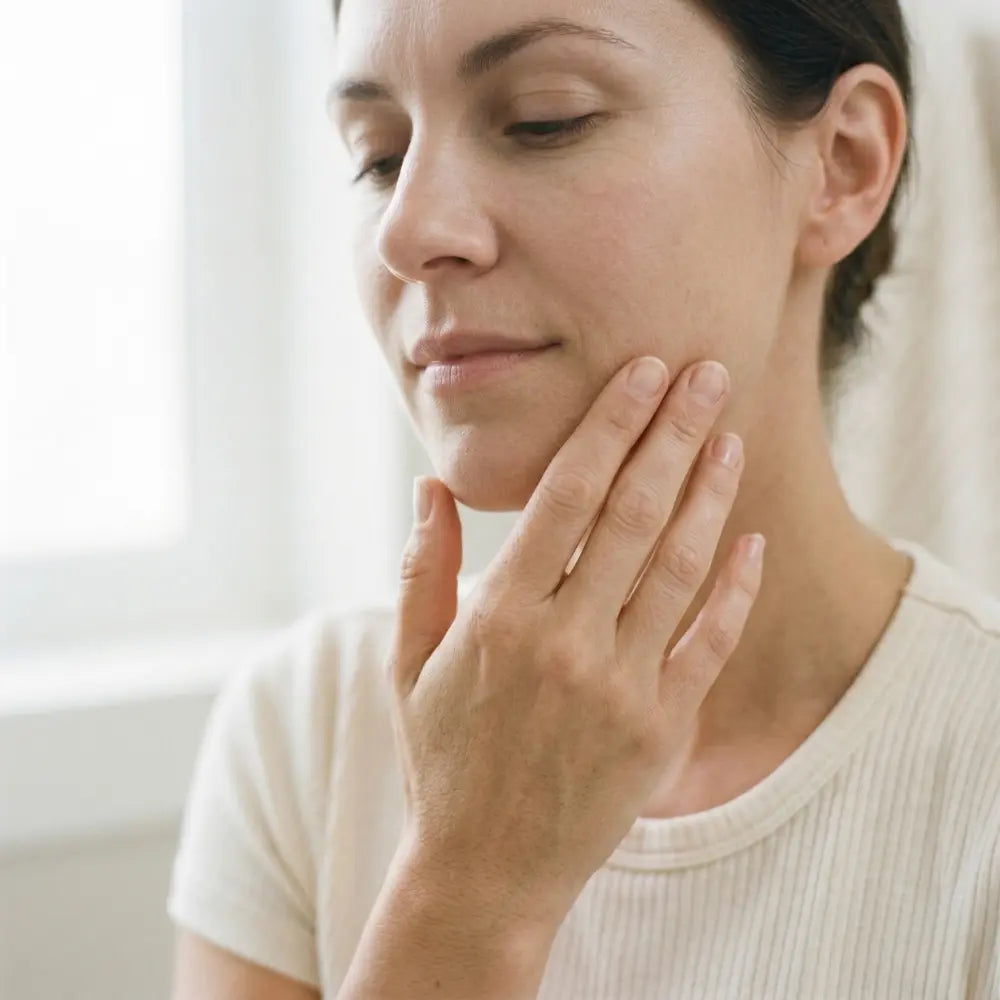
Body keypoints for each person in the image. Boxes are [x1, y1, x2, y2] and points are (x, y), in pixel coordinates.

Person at [167, 1, 1000, 998]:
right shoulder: (308, 727)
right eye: (379, 158)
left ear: (843, 165)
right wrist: (465, 889)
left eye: (543, 120)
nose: (408, 230)